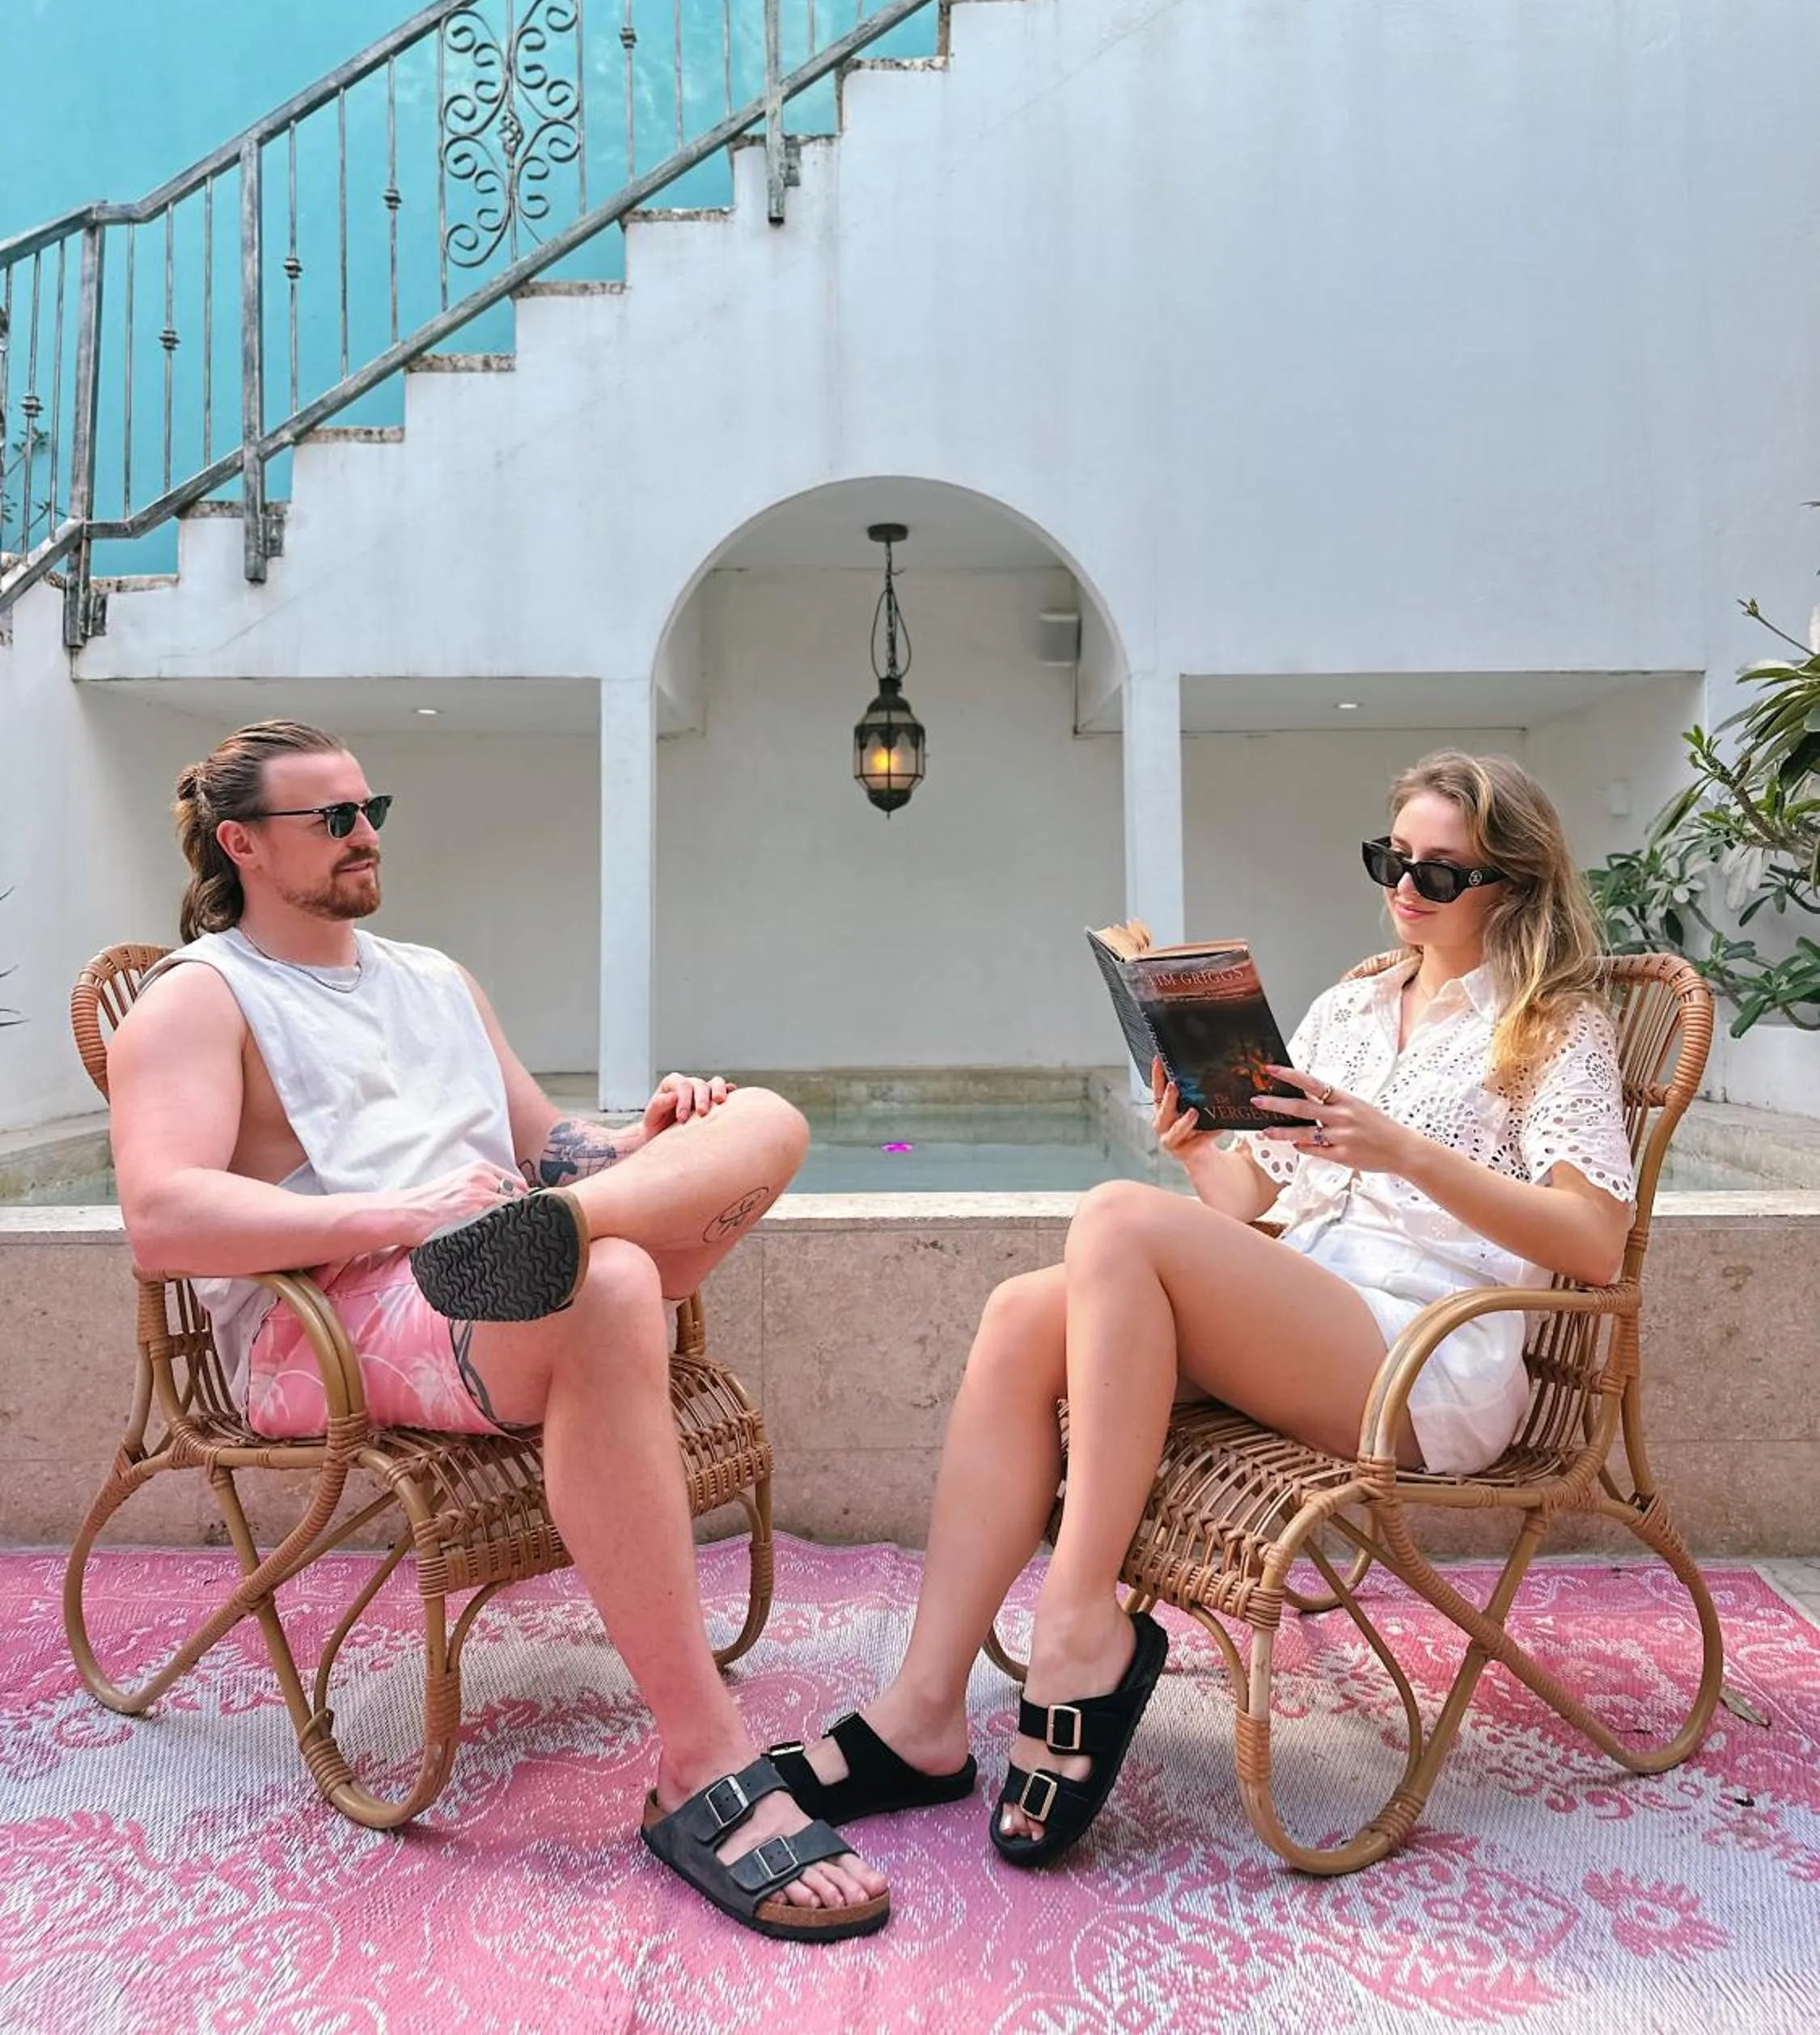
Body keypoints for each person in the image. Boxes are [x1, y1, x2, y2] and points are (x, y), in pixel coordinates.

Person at [764, 751, 1637, 1868]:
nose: (1406, 890)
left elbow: (1592, 1242)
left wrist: (1405, 1152)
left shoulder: (1551, 1026)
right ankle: (922, 1715)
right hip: (1312, 1306)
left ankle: (1077, 1619)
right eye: (1391, 861)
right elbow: (1255, 1205)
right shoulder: (1354, 1005)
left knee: (1115, 1219)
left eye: (1440, 873)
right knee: (1022, 1316)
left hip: (1425, 1356)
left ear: (1512, 885)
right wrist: (1193, 1148)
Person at [107, 717, 888, 1944]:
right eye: (334, 819)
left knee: (765, 1122)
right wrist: (401, 1215)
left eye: (372, 811)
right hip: (332, 1313)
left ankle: (557, 1239)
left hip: (496, 1271)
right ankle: (702, 1756)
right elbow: (161, 1219)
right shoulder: (200, 998)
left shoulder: (433, 979)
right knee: (613, 1285)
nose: (366, 836)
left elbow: (546, 1144)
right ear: (241, 843)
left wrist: (646, 1144)